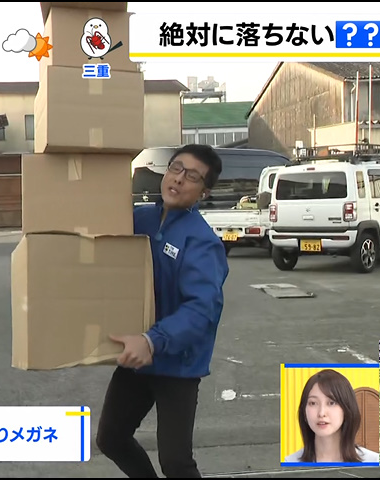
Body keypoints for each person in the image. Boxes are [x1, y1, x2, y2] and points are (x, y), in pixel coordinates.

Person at [96, 144, 229, 478]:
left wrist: (153, 341)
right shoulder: (141, 218)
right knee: (111, 438)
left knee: (176, 462)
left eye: (192, 176)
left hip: (177, 363)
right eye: (175, 168)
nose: (179, 179)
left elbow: (202, 310)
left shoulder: (202, 242)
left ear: (204, 192)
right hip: (137, 356)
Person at [284, 369, 379, 464]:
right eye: (313, 403)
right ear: (304, 412)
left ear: (347, 409)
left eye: (331, 403)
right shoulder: (290, 462)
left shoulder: (374, 461)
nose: (321, 413)